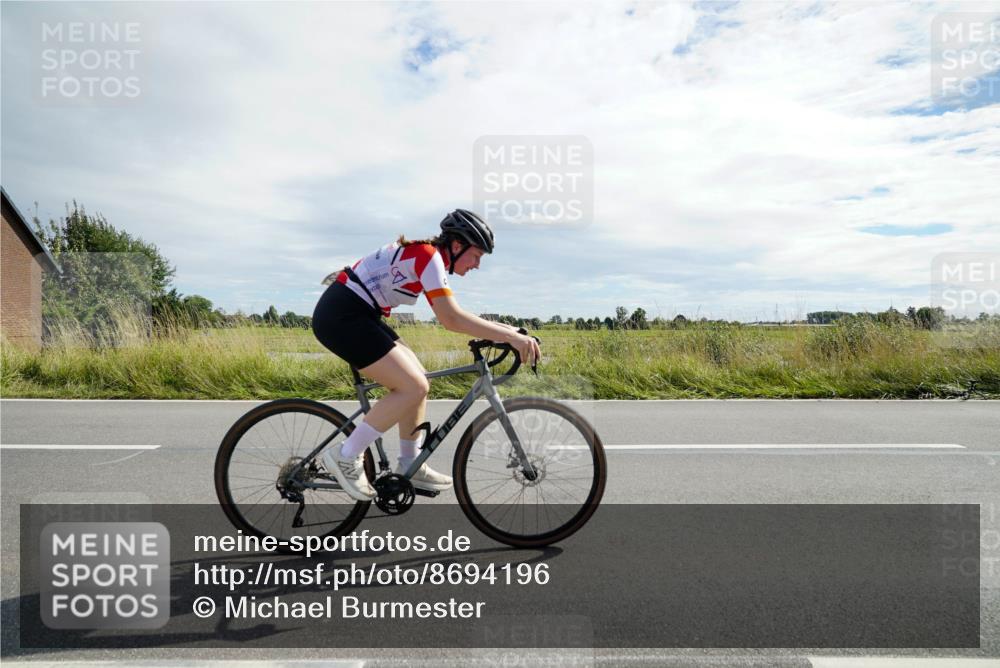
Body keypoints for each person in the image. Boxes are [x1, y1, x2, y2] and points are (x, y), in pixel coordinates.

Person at [311, 209, 542, 501]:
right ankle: (345, 456)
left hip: (359, 313)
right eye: (476, 256)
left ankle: (411, 462)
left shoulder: (430, 257)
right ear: (457, 246)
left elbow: (456, 315)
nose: (477, 265)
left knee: (419, 380)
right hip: (342, 316)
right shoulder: (428, 256)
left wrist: (510, 331)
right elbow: (452, 319)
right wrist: (510, 336)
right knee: (413, 386)